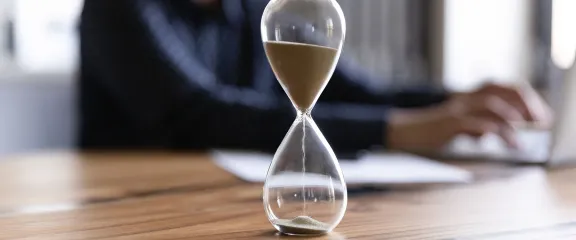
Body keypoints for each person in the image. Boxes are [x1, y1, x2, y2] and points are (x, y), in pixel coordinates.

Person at [79, 0, 550, 153]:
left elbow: (352, 88)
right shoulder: (118, 8)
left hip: (236, 195)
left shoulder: (258, 9)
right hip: (138, 204)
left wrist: (454, 101)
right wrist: (395, 130)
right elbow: (198, 114)